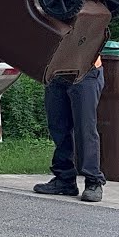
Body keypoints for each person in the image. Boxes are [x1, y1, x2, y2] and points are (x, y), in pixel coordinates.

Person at [33, 56, 106, 202]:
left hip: (86, 70)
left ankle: (93, 181)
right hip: (56, 72)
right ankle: (65, 179)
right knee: (58, 127)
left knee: (85, 129)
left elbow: (95, 37)